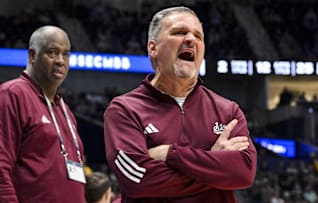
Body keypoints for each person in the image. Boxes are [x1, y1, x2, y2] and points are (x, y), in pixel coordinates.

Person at [103, 6, 257, 202]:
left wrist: (170, 153)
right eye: (179, 32)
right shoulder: (124, 110)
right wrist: (213, 164)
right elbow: (138, 182)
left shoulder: (228, 111)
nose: (191, 40)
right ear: (153, 48)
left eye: (198, 36)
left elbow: (244, 173)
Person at [0, 25, 85, 202]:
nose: (61, 60)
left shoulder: (65, 110)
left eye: (66, 54)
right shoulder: (11, 95)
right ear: (32, 55)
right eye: (52, 52)